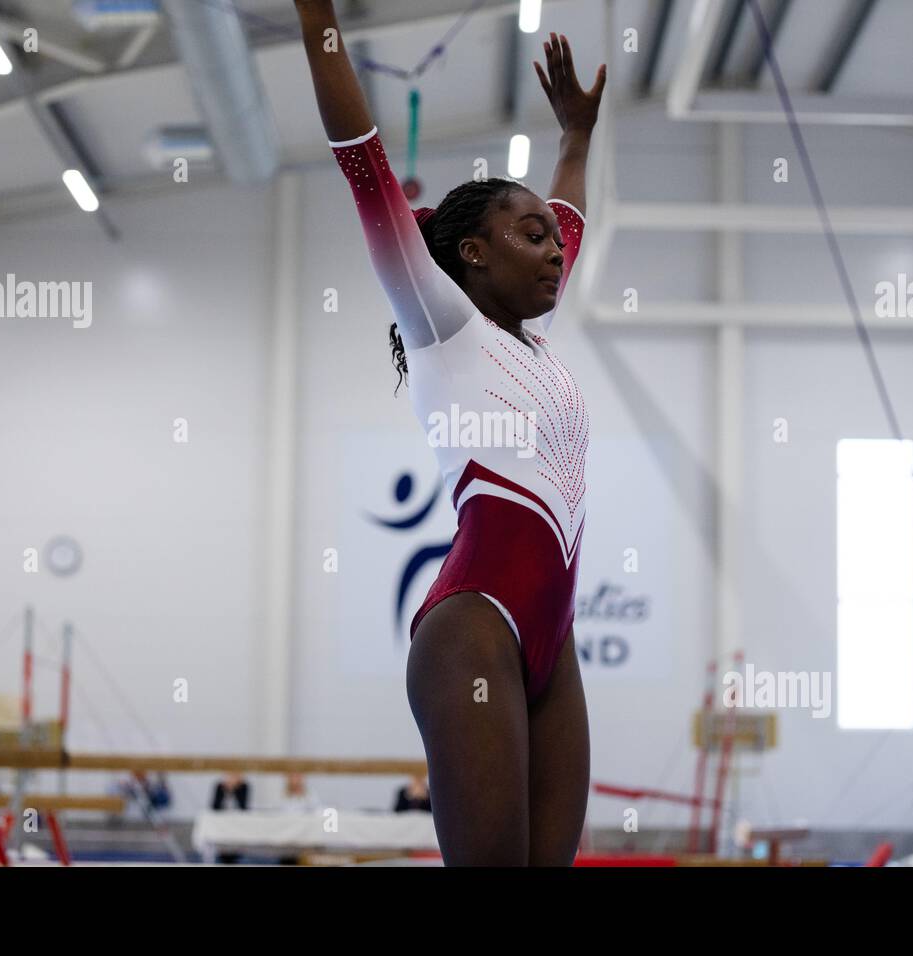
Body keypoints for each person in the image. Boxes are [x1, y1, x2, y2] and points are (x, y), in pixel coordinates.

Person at [294, 1, 605, 865]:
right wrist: (317, 16)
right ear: (471, 252)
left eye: (554, 238)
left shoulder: (533, 345)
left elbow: (570, 215)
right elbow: (363, 162)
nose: (555, 249)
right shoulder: (439, 322)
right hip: (476, 626)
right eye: (530, 233)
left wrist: (576, 137)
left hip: (555, 641)